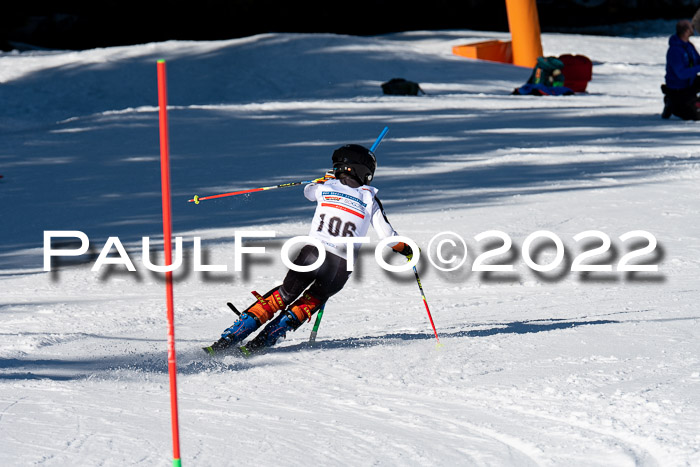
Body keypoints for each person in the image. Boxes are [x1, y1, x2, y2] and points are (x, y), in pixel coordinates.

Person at [204, 143, 414, 356]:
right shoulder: (370, 198)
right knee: (312, 300)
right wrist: (407, 250)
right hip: (341, 266)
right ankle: (261, 343)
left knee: (284, 294)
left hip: (312, 253)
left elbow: (308, 192)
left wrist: (322, 180)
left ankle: (230, 338)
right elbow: (389, 237)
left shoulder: (325, 187)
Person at [661, 19, 700, 120]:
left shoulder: (689, 46)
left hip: (690, 83)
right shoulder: (675, 51)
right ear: (686, 31)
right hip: (678, 89)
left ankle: (693, 102)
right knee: (693, 116)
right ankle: (671, 103)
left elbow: (697, 61)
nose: (693, 29)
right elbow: (681, 74)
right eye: (691, 27)